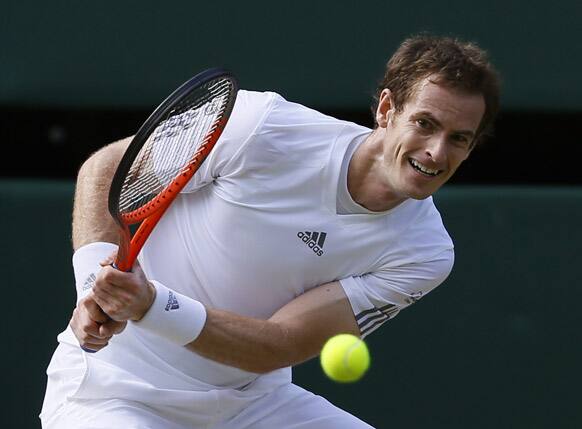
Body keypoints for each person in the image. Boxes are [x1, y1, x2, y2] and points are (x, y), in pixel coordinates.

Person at [41, 34, 500, 428]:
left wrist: (150, 304)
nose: (437, 152)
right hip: (111, 389)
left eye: (459, 138)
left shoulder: (424, 252)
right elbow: (108, 168)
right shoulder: (262, 127)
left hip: (250, 406)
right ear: (386, 109)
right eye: (425, 123)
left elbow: (277, 344)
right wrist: (91, 287)